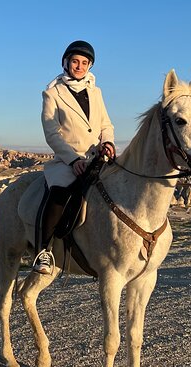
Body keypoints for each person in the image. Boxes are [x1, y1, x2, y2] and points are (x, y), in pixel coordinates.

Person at [35, 40, 116, 274]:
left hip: (97, 158)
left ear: (89, 66)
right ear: (66, 63)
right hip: (68, 160)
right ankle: (44, 251)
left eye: (84, 63)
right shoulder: (52, 94)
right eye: (75, 61)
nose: (79, 66)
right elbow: (52, 134)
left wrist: (108, 142)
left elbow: (105, 124)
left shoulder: (96, 91)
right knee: (60, 193)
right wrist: (73, 160)